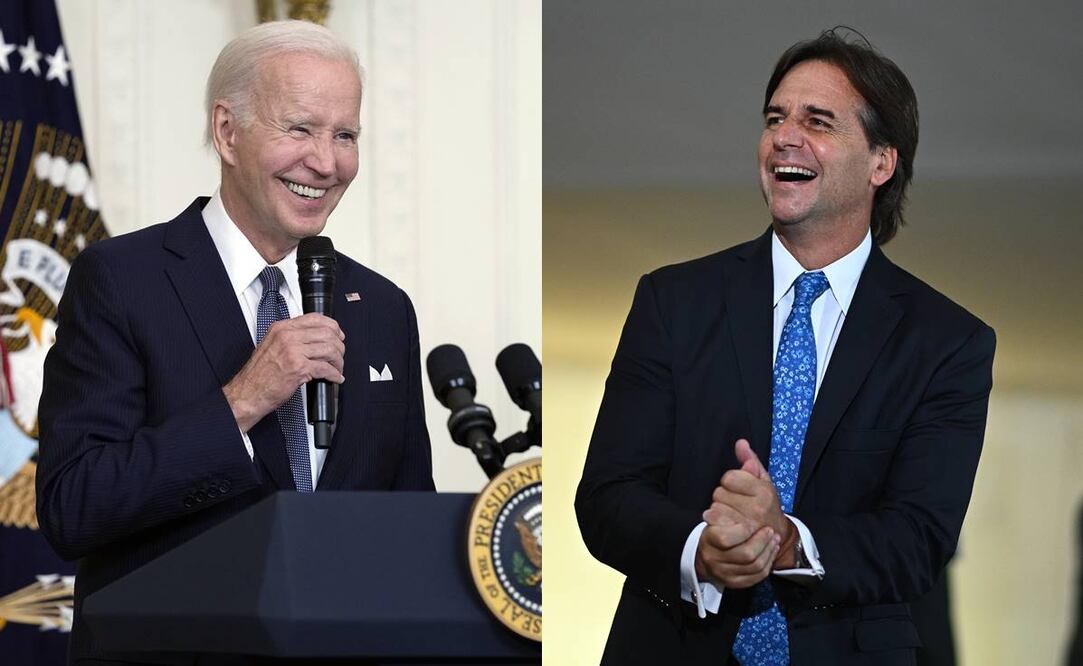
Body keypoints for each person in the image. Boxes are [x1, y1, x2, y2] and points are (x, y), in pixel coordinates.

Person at [576, 28, 995, 666]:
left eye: (817, 121)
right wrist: (701, 549)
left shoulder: (946, 343)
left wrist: (789, 542)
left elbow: (919, 539)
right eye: (775, 118)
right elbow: (608, 495)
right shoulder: (673, 302)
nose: (785, 137)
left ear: (882, 162)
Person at [35, 21, 433, 664]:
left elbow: (409, 534)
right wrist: (243, 401)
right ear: (227, 132)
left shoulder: (383, 308)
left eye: (345, 136)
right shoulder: (123, 280)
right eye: (300, 129)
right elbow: (73, 506)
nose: (326, 163)